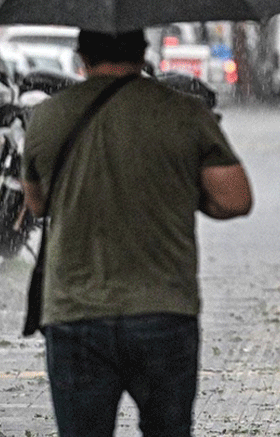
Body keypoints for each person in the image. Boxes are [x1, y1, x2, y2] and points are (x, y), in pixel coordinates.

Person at [22, 29, 253, 437]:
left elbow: (38, 205)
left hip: (76, 313)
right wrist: (179, 188)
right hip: (163, 310)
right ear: (143, 53)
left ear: (82, 56)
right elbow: (235, 200)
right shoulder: (185, 112)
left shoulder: (47, 116)